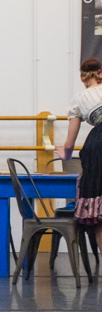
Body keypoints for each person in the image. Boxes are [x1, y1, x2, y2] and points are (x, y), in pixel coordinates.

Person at [62, 59, 102, 246]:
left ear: (82, 78)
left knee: (99, 211)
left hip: (98, 144)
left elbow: (69, 143)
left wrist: (65, 154)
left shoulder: (79, 98)